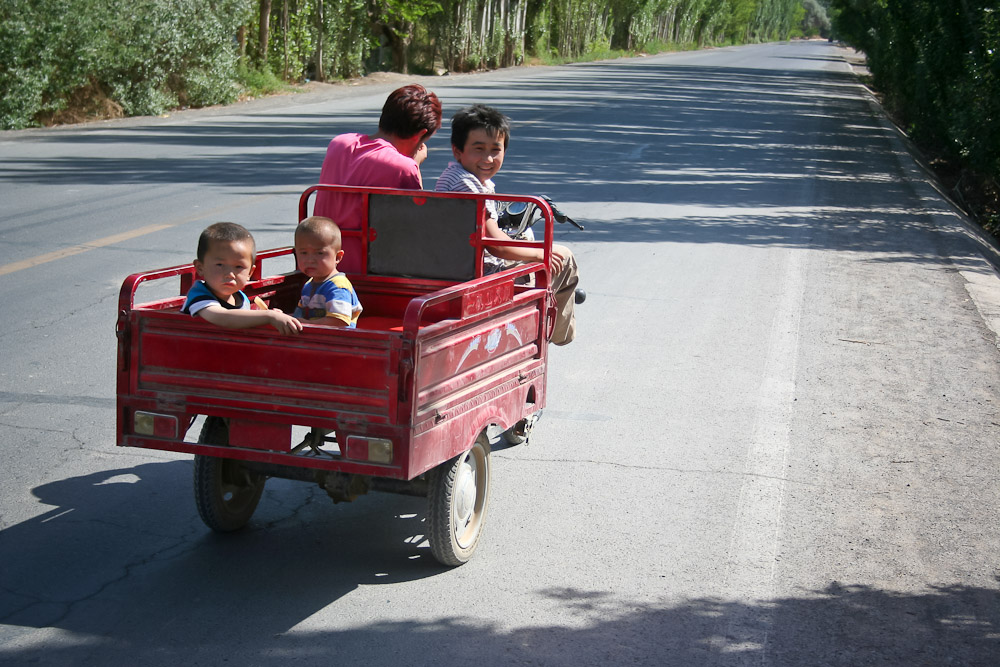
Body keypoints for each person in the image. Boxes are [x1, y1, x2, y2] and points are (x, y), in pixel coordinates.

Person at [435, 104, 579, 346]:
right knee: (563, 257)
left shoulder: (458, 176)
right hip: (483, 275)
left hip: (465, 264)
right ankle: (558, 335)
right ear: (457, 151)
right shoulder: (466, 185)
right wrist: (540, 253)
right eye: (478, 149)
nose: (488, 159)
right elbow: (497, 246)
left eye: (495, 150)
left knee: (527, 240)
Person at [314, 84, 442, 274]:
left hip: (321, 262)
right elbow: (416, 227)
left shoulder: (339, 144)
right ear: (420, 135)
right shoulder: (403, 167)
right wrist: (414, 164)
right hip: (370, 270)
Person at [182, 222, 303, 335]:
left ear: (250, 272)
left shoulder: (240, 297)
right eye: (220, 265)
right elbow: (224, 317)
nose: (230, 274)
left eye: (238, 267)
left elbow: (242, 319)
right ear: (200, 267)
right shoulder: (199, 296)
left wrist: (269, 315)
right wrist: (268, 316)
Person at [293, 216, 363, 327]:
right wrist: (284, 317)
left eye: (320, 253)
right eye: (304, 253)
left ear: (338, 257)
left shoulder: (338, 286)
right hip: (315, 335)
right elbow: (301, 314)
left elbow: (339, 321)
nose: (310, 260)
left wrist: (307, 324)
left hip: (337, 337)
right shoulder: (309, 285)